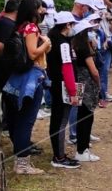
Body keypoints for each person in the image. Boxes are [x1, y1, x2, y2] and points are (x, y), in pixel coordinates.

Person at [1, 0, 52, 175]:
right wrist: (46, 43)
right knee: (26, 121)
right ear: (33, 10)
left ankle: (20, 161)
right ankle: (22, 164)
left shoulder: (19, 27)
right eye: (40, 8)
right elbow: (32, 54)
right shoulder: (31, 28)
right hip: (32, 77)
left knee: (17, 119)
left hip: (18, 77)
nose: (43, 11)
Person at [46, 11, 81, 169]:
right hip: (62, 85)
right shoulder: (63, 43)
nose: (73, 28)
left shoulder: (51, 38)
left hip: (54, 83)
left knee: (56, 119)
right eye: (72, 25)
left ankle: (58, 153)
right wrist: (73, 92)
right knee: (61, 121)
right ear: (67, 25)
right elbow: (67, 68)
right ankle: (59, 157)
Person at [71, 19, 102, 162]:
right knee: (87, 115)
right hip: (87, 84)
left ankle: (82, 147)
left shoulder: (74, 46)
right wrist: (99, 84)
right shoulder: (84, 49)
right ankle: (82, 150)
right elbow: (94, 71)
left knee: (81, 114)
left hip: (77, 83)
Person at [0, 0, 22, 137]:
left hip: (10, 69)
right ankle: (15, 135)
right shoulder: (5, 23)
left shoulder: (10, 23)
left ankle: (17, 135)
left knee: (13, 104)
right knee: (12, 105)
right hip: (5, 69)